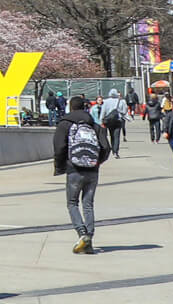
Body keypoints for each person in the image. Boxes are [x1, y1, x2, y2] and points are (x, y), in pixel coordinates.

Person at [54, 95, 108, 254]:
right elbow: (106, 147)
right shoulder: (94, 125)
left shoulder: (65, 124)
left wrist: (60, 166)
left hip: (74, 169)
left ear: (70, 107)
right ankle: (89, 238)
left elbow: (59, 147)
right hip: (92, 169)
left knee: (72, 203)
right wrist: (97, 162)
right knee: (88, 204)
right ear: (85, 107)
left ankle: (82, 233)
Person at [99, 91, 125, 158]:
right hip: (118, 120)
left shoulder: (106, 101)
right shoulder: (121, 101)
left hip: (109, 121)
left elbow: (103, 111)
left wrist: (101, 121)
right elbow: (124, 111)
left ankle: (113, 149)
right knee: (117, 137)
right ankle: (115, 152)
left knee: (111, 136)